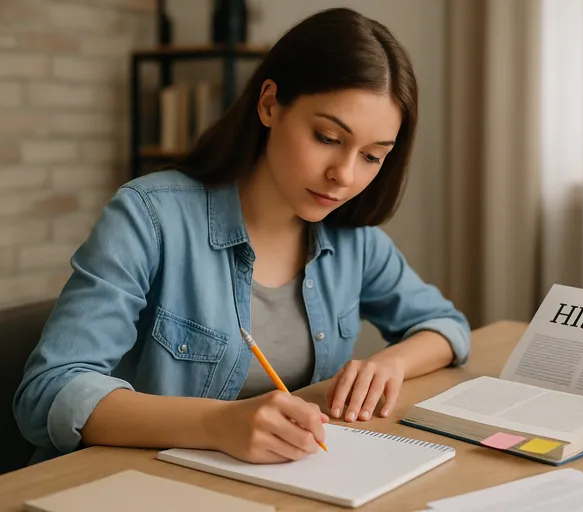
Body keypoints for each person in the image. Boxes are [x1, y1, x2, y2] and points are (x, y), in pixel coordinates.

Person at [13, 7, 470, 466]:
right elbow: (51, 391)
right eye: (328, 137)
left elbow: (446, 327)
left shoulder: (353, 240)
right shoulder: (150, 216)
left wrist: (388, 365)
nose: (343, 176)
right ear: (270, 104)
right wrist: (216, 424)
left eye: (372, 156)